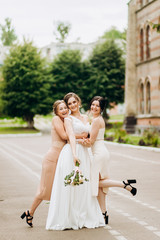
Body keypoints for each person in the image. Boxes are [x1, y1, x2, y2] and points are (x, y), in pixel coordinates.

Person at [21, 100, 87, 227]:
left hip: (62, 159)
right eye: (60, 109)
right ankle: (30, 212)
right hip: (52, 159)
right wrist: (84, 135)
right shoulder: (56, 120)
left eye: (65, 108)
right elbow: (64, 136)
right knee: (45, 189)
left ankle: (67, 217)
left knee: (61, 189)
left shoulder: (67, 120)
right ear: (56, 111)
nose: (64, 110)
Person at [46, 93, 105, 230]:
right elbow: (70, 137)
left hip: (85, 152)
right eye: (69, 103)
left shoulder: (86, 117)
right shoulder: (68, 119)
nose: (72, 105)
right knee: (72, 186)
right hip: (72, 152)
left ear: (79, 102)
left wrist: (87, 141)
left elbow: (90, 135)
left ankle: (84, 216)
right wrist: (74, 154)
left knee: (84, 185)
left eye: (74, 102)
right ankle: (71, 218)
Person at [80, 96, 137, 224]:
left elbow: (90, 142)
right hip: (100, 152)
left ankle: (124, 184)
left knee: (95, 182)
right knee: (100, 185)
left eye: (97, 106)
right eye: (93, 104)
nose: (94, 107)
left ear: (101, 109)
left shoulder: (96, 121)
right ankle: (104, 213)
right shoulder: (96, 119)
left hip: (99, 153)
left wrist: (76, 140)